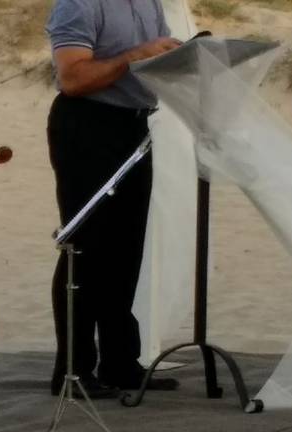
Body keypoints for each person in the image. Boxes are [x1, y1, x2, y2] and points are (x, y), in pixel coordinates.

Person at [46, 0, 182, 398]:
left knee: (126, 248)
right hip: (88, 124)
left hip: (135, 127)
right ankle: (73, 371)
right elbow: (72, 78)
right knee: (86, 246)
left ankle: (121, 362)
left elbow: (154, 64)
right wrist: (134, 56)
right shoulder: (79, 4)